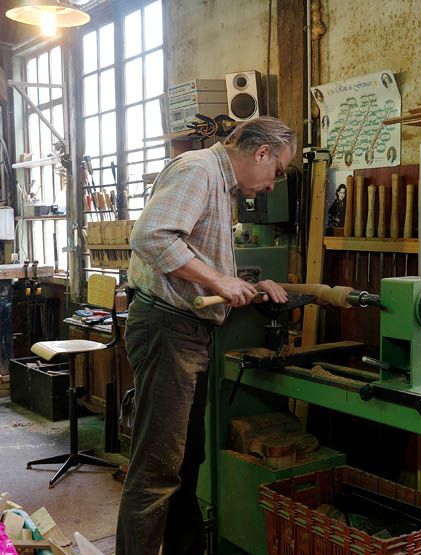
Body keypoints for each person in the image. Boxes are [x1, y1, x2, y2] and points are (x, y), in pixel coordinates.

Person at [116, 116, 296, 555]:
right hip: (167, 331)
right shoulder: (198, 170)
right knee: (158, 469)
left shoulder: (218, 183)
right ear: (261, 153)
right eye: (279, 171)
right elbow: (151, 237)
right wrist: (219, 281)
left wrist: (248, 287)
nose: (274, 184)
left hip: (186, 331)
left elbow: (195, 257)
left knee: (185, 458)